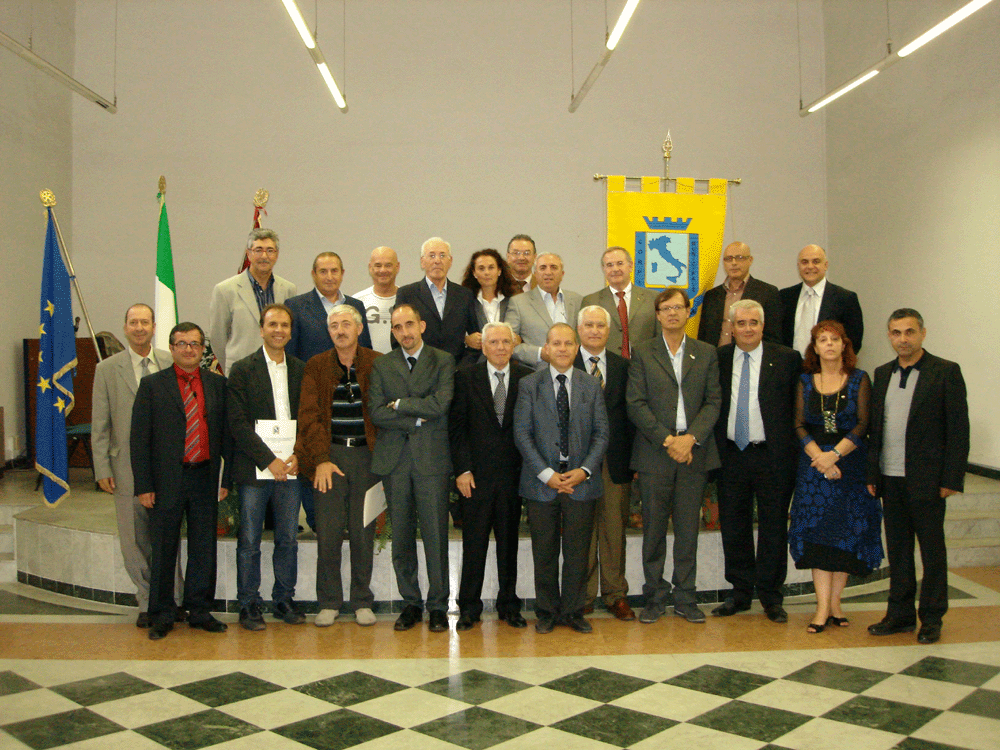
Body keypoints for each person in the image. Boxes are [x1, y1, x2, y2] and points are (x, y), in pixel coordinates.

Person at [866, 309, 969, 645]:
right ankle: (900, 615)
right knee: (897, 550)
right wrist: (873, 473)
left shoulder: (945, 371)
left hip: (927, 479)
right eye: (896, 333)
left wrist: (951, 478)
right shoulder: (882, 373)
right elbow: (876, 428)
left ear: (923, 333)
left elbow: (958, 430)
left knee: (932, 551)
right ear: (889, 336)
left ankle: (932, 618)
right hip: (890, 476)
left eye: (909, 332)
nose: (903, 339)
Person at [131, 322, 231, 640]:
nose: (189, 349)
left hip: (205, 476)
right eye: (182, 343)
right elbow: (139, 439)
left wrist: (225, 478)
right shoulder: (152, 385)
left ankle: (199, 610)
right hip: (166, 480)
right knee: (164, 548)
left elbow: (227, 435)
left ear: (203, 350)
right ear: (172, 348)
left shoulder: (218, 384)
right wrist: (144, 485)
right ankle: (162, 613)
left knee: (204, 546)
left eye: (195, 344)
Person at [627, 289, 721, 625]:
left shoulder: (706, 352)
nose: (672, 313)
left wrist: (690, 439)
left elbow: (713, 401)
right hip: (656, 452)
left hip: (693, 453)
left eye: (677, 307)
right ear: (657, 314)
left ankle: (685, 597)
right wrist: (668, 440)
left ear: (687, 312)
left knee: (687, 531)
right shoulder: (643, 352)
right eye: (665, 308)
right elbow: (635, 403)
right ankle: (654, 597)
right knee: (653, 531)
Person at [91, 303, 183, 628]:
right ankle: (146, 600)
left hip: (168, 467)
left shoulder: (171, 362)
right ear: (125, 327)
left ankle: (172, 599)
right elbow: (100, 424)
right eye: (134, 322)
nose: (140, 327)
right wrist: (102, 468)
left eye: (145, 322)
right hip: (126, 468)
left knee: (167, 535)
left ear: (154, 327)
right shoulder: (107, 369)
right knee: (134, 539)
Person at [787, 320, 881, 633]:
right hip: (813, 467)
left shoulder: (859, 379)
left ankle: (835, 604)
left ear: (844, 345)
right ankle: (821, 608)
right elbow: (798, 424)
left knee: (845, 534)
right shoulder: (805, 381)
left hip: (850, 465)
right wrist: (821, 458)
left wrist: (835, 455)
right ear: (814, 347)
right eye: (822, 340)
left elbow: (864, 423)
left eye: (834, 339)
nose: (828, 344)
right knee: (818, 536)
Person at [514, 323, 609, 634]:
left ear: (577, 347)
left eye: (569, 343)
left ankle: (573, 611)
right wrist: (547, 474)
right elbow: (522, 434)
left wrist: (584, 471)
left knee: (578, 553)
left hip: (581, 482)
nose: (563, 349)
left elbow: (601, 434)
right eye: (556, 343)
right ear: (547, 348)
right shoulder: (529, 384)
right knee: (544, 552)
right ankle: (547, 612)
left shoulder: (591, 384)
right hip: (541, 483)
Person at [712, 300, 801, 623]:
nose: (747, 329)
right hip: (731, 454)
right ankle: (739, 592)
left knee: (773, 526)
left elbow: (797, 409)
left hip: (772, 456)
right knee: (733, 525)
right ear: (731, 328)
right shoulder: (718, 358)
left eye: (753, 323)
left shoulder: (788, 358)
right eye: (741, 323)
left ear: (763, 326)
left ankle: (771, 596)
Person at [369, 304, 455, 632]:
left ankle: (438, 605)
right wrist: (417, 417)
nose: (404, 332)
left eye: (409, 324)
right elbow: (377, 412)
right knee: (402, 536)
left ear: (421, 326)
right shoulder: (382, 364)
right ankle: (411, 603)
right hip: (395, 462)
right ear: (392, 331)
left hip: (431, 459)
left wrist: (402, 405)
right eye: (397, 327)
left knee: (435, 535)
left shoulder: (443, 360)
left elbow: (441, 404)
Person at [296, 305, 382, 627]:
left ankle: (361, 601)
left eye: (346, 324)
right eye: (334, 325)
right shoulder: (316, 366)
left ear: (359, 328)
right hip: (329, 457)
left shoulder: (377, 363)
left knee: (363, 533)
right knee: (328, 533)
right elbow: (309, 417)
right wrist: (321, 460)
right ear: (328, 331)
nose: (340, 330)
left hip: (368, 458)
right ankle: (329, 601)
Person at [227, 304, 306, 631]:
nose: (279, 330)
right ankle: (249, 604)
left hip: (290, 469)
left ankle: (284, 599)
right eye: (273, 324)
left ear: (290, 331)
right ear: (261, 329)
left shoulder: (301, 369)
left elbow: (309, 417)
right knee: (249, 540)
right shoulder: (242, 370)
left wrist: (299, 453)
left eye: (284, 325)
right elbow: (237, 423)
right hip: (255, 469)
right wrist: (268, 459)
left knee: (287, 538)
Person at [449, 322, 532, 630]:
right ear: (483, 347)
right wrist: (462, 469)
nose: (500, 347)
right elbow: (457, 429)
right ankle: (469, 607)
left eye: (505, 342)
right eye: (493, 342)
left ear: (513, 346)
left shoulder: (527, 378)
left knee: (509, 544)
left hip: (513, 475)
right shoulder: (464, 377)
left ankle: (508, 605)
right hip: (475, 477)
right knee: (474, 544)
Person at [573, 305, 636, 620]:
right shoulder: (565, 364)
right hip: (576, 462)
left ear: (609, 331)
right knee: (582, 530)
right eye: (589, 325)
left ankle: (615, 594)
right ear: (579, 329)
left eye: (600, 325)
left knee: (613, 529)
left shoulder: (625, 366)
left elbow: (632, 415)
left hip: (614, 460)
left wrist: (633, 461)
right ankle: (583, 595)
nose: (594, 330)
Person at [209, 228, 297, 375]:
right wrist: (232, 368)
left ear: (276, 255)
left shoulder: (288, 289)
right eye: (258, 250)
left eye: (270, 250)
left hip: (278, 370)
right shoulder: (225, 290)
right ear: (248, 254)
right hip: (241, 372)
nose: (264, 256)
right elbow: (218, 339)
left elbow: (289, 333)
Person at [395, 237, 480, 364]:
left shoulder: (464, 295)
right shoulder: (407, 294)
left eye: (442, 255)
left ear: (450, 261)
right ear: (422, 262)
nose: (437, 261)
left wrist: (463, 368)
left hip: (456, 369)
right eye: (432, 256)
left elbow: (476, 339)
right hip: (419, 368)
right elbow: (397, 336)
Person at [285, 252, 372, 362]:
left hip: (352, 372)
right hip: (311, 372)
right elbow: (290, 353)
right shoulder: (295, 306)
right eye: (323, 272)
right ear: (314, 274)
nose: (329, 277)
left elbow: (365, 347)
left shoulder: (356, 305)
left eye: (334, 271)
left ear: (342, 273)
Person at [780, 244, 864, 355]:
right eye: (805, 262)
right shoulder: (784, 297)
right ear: (798, 266)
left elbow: (854, 342)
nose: (810, 266)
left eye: (816, 261)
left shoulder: (845, 298)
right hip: (790, 365)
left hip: (829, 364)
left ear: (826, 265)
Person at [697, 242, 782, 347]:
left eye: (739, 258)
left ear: (750, 260)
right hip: (716, 355)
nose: (734, 263)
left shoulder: (767, 292)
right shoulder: (711, 295)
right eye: (729, 259)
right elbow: (703, 336)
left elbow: (773, 337)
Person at [506, 253, 582, 369]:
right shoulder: (518, 303)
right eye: (543, 268)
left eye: (553, 267)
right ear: (535, 274)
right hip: (535, 372)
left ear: (562, 274)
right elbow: (507, 343)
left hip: (572, 371)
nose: (548, 272)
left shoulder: (577, 300)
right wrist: (539, 354)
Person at [581, 247, 658, 359]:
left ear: (630, 266)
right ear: (603, 269)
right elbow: (584, 341)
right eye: (609, 265)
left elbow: (660, 338)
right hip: (607, 365)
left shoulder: (653, 298)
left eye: (620, 263)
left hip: (645, 364)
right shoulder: (591, 301)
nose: (615, 269)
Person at [459, 248, 523, 358]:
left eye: (491, 267)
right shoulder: (464, 300)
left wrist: (519, 339)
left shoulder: (514, 300)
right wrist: (466, 340)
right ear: (474, 273)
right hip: (476, 361)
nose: (487, 273)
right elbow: (454, 331)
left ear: (499, 271)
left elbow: (526, 331)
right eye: (481, 268)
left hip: (509, 360)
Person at [353, 246, 401, 354]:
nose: (383, 270)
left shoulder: (407, 299)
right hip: (367, 363)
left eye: (388, 265)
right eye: (378, 265)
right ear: (370, 268)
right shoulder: (357, 302)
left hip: (402, 363)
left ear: (397, 267)